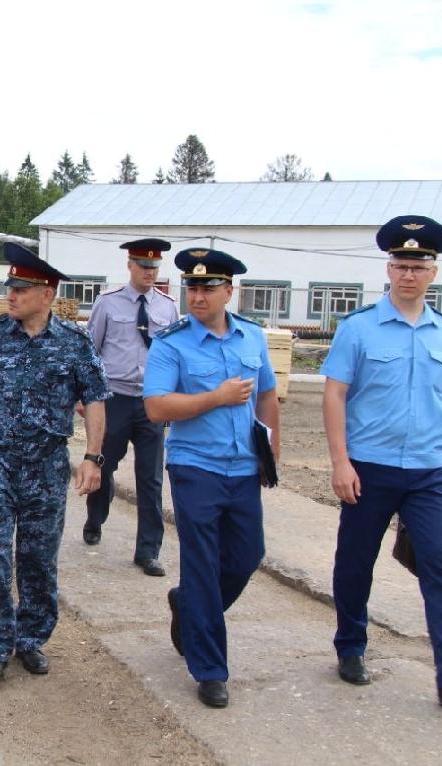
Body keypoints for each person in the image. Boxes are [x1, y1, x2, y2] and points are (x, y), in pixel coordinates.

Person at [321, 215, 442, 708]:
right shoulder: (358, 329)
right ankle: (351, 646)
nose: (408, 275)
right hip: (370, 467)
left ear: (433, 273)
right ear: (389, 269)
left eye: (418, 267)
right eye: (401, 265)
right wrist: (340, 462)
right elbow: (335, 395)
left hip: (428, 472)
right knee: (356, 562)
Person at [0, 243, 110, 689]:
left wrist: (94, 458)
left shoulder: (75, 344)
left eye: (21, 288)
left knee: (38, 561)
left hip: (46, 468)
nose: (12, 295)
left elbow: (96, 400)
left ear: (47, 293)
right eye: (10, 288)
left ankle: (31, 637)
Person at [142, 248, 279, 709]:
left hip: (243, 467)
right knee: (202, 563)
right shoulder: (171, 342)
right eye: (192, 288)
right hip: (194, 466)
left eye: (207, 288)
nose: (197, 296)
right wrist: (215, 398)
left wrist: (270, 454)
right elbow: (157, 407)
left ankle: (189, 606)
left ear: (228, 291)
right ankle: (210, 669)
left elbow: (267, 396)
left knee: (246, 555)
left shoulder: (252, 338)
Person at [82, 238, 180, 576]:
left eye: (154, 267)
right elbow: (91, 354)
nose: (149, 272)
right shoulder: (108, 303)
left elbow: (175, 356)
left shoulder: (167, 307)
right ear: (129, 265)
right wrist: (87, 399)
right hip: (115, 399)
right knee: (103, 466)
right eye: (143, 265)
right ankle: (96, 517)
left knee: (150, 479)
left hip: (152, 402)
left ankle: (148, 550)